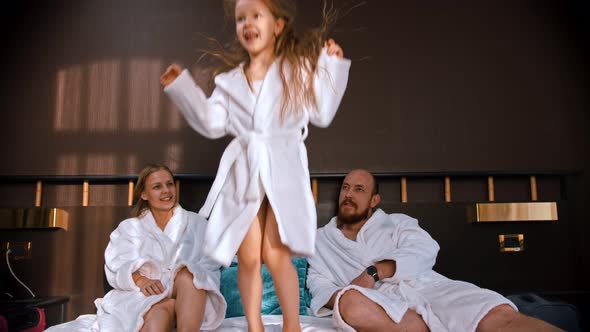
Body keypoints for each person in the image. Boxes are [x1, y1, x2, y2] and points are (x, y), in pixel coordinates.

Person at [160, 1, 350, 331]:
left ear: (277, 25)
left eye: (256, 16)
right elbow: (209, 122)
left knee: (276, 255)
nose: (247, 23)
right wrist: (182, 88)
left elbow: (322, 113)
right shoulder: (230, 81)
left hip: (282, 165)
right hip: (244, 172)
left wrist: (330, 67)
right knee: (247, 257)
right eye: (240, 19)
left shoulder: (297, 70)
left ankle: (293, 325)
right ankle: (254, 326)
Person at [307, 169, 562, 332]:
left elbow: (425, 249)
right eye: (345, 188)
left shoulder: (396, 222)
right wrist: (350, 291)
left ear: (374, 201)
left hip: (427, 288)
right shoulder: (320, 241)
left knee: (495, 314)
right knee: (349, 304)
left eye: (359, 189)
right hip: (377, 303)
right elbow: (318, 285)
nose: (349, 195)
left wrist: (375, 272)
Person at [45, 164, 226, 332]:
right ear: (144, 194)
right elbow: (117, 265)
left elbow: (211, 259)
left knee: (190, 275)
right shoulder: (129, 228)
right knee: (161, 313)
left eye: (169, 184)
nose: (166, 191)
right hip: (147, 295)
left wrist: (184, 271)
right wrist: (140, 279)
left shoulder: (197, 223)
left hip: (189, 295)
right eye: (157, 187)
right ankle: (167, 309)